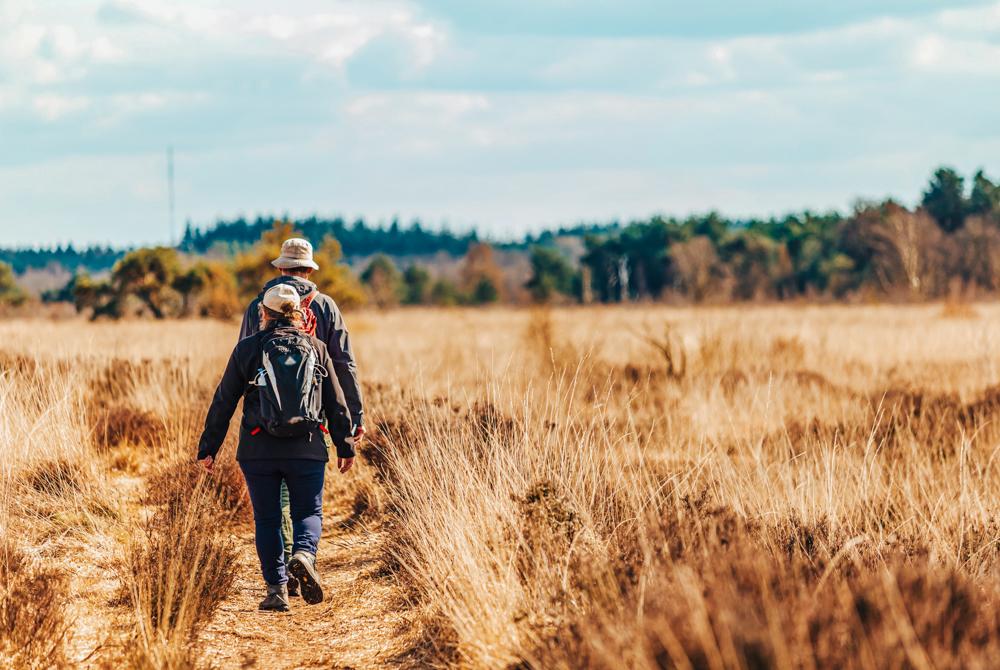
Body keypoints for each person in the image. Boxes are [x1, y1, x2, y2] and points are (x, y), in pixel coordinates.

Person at [197, 284, 355, 612]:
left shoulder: (247, 349)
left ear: (263, 313)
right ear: (299, 313)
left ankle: (276, 591)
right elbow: (336, 402)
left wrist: (209, 447)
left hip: (258, 450)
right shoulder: (317, 347)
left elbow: (224, 400)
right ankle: (304, 554)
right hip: (308, 447)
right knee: (308, 512)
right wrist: (345, 445)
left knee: (267, 519)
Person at [238, 237, 366, 596]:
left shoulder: (257, 307)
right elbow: (344, 365)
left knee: (274, 499)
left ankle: (282, 577)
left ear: (279, 268)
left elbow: (245, 359)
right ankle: (302, 556)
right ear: (309, 270)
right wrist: (353, 419)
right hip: (313, 422)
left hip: (264, 423)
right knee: (305, 497)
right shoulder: (325, 306)